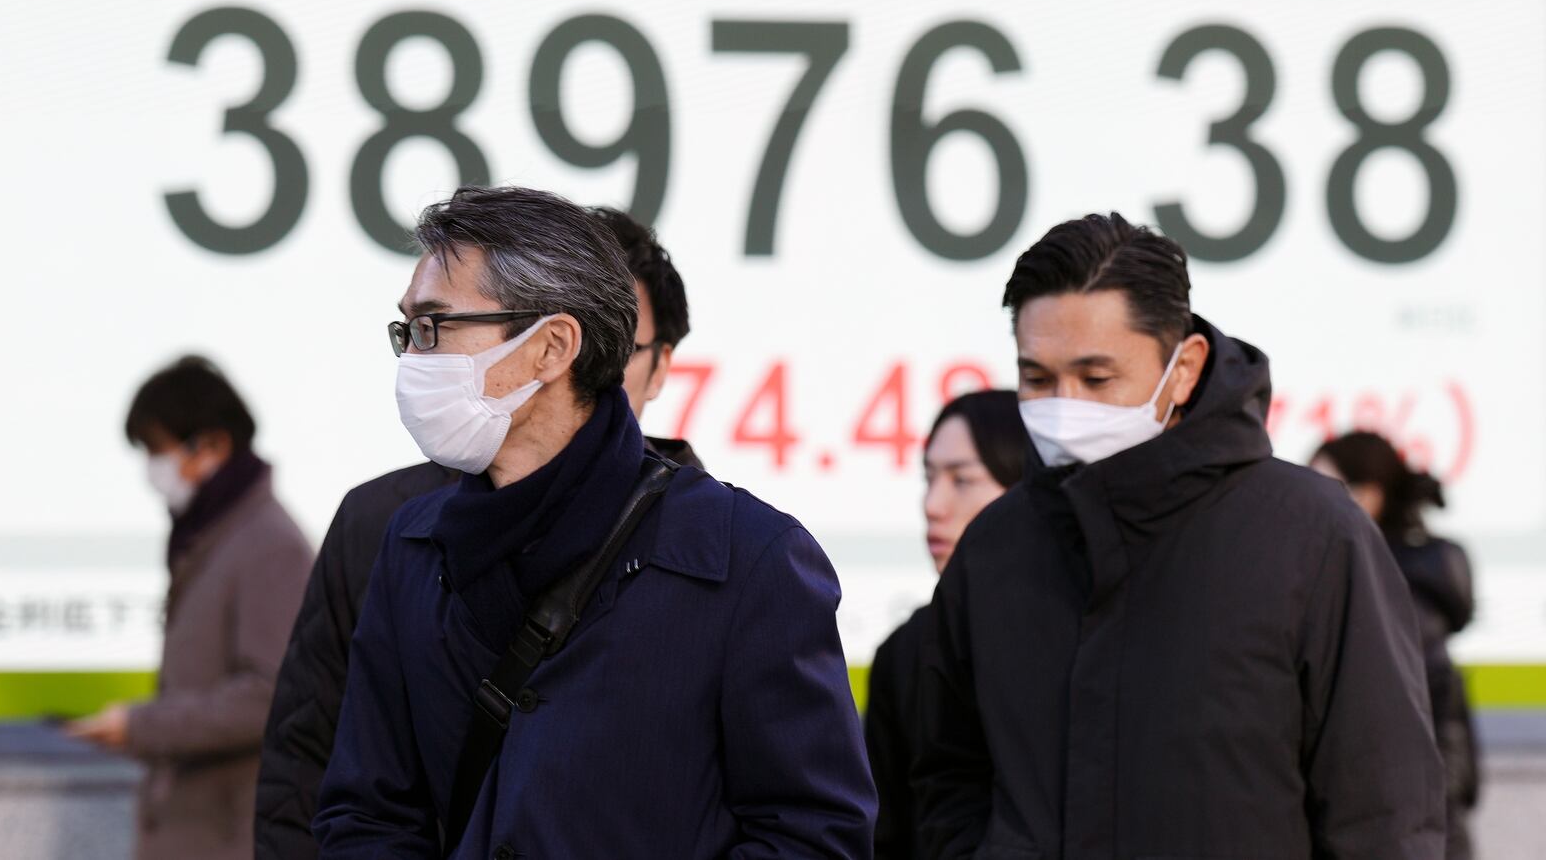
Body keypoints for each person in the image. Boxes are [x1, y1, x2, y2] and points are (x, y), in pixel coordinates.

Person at [313, 186, 874, 857]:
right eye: (407, 331)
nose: (413, 359)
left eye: (435, 326)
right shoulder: (411, 547)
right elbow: (366, 814)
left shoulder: (747, 559)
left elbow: (815, 835)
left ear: (552, 346)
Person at [915, 213, 1445, 859]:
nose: (1065, 404)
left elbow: (1383, 813)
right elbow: (947, 777)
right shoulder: (995, 548)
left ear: (1185, 368)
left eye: (1097, 377)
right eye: (1038, 377)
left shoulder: (1314, 537)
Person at [255, 206, 704, 859]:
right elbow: (320, 773)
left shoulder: (721, 553)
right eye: (412, 329)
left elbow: (793, 818)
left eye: (624, 337)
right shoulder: (390, 529)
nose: (417, 353)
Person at [66, 356, 312, 860]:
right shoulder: (214, 535)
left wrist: (141, 727)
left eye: (158, 450)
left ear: (213, 444)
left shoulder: (269, 544)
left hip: (231, 837)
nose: (153, 470)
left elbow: (271, 697)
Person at [865, 390, 1023, 859]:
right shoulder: (905, 650)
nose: (934, 504)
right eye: (929, 478)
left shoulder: (1088, 632)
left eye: (962, 479)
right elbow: (883, 833)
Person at [1312, 431, 1480, 860]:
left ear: (1368, 496)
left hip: (1406, 830)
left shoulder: (1383, 587)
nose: (1305, 503)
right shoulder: (1398, 579)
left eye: (1321, 485)